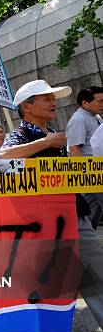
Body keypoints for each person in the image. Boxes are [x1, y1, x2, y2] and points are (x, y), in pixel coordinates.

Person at [0, 79, 102, 329]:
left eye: (53, 98)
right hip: (42, 224)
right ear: (28, 106)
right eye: (47, 98)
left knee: (97, 272)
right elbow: (3, 157)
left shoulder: (54, 132)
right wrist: (46, 143)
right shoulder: (19, 135)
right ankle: (41, 321)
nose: (54, 103)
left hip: (75, 215)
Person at [66, 86, 103, 228]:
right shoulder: (79, 119)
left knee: (90, 212)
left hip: (96, 173)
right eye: (99, 101)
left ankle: (83, 239)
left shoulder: (96, 117)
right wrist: (80, 177)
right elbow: (74, 148)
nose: (102, 104)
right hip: (90, 174)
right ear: (85, 103)